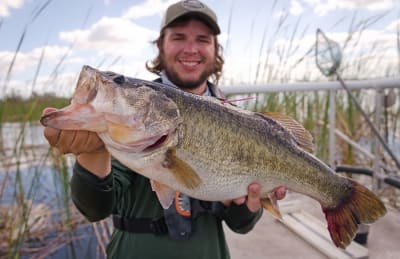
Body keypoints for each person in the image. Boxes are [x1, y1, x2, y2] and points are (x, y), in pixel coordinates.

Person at [42, 1, 286, 258]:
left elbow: (241, 224)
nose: (190, 48)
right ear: (161, 45)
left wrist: (246, 205)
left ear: (215, 50)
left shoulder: (239, 120)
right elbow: (94, 209)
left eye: (202, 39)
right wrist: (91, 155)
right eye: (178, 37)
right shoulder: (136, 114)